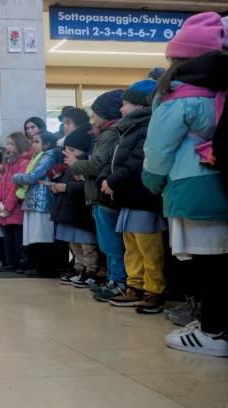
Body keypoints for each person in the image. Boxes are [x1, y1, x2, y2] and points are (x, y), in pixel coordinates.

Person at [142, 12, 228, 356]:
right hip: (219, 180)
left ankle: (213, 332)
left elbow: (158, 148)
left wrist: (151, 179)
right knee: (220, 259)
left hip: (189, 183)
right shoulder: (219, 92)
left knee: (209, 264)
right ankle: (214, 324)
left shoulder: (178, 97)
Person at [99, 78, 167, 313]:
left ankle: (153, 290)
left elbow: (137, 161)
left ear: (139, 105)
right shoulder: (128, 128)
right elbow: (113, 159)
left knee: (149, 247)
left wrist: (112, 181)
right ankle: (135, 285)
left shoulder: (147, 127)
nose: (121, 109)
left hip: (143, 196)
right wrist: (105, 179)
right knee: (132, 246)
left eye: (125, 104)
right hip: (127, 197)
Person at [64, 89, 127, 300]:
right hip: (99, 195)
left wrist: (75, 164)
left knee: (111, 243)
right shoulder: (106, 133)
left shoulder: (110, 133)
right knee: (108, 242)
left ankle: (117, 280)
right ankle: (115, 279)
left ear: (106, 113)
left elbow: (98, 163)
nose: (93, 118)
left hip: (103, 197)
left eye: (95, 113)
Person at [52, 125, 99, 288]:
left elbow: (88, 186)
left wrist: (66, 187)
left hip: (81, 213)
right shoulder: (69, 167)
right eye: (66, 150)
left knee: (87, 246)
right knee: (74, 245)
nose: (67, 153)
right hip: (70, 212)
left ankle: (91, 271)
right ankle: (79, 269)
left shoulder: (84, 164)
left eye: (72, 150)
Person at [13, 132, 63, 277]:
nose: (32, 144)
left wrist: (16, 177)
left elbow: (33, 176)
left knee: (42, 235)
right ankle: (37, 267)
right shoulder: (38, 157)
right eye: (32, 141)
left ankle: (45, 268)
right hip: (34, 200)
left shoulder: (48, 156)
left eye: (36, 141)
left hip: (42, 201)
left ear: (46, 144)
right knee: (35, 236)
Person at [0, 132, 32, 273]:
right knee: (8, 239)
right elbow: (2, 185)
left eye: (11, 144)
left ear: (20, 145)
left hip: (16, 209)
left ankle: (21, 264)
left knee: (18, 239)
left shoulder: (24, 163)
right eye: (7, 144)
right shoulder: (8, 164)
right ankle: (11, 263)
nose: (8, 147)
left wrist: (7, 207)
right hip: (5, 211)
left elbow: (17, 187)